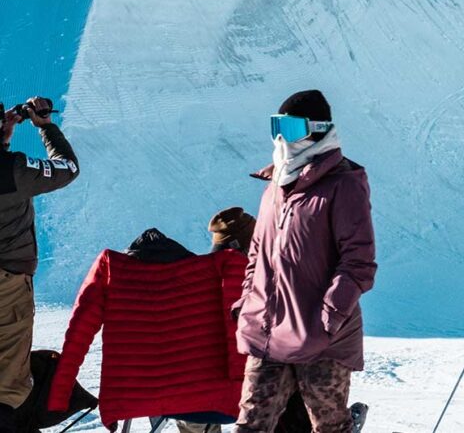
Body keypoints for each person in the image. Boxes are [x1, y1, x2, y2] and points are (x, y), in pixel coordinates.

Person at [234, 91, 377, 433]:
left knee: (328, 427)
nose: (282, 138)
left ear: (318, 130)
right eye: (276, 127)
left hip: (322, 341)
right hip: (267, 333)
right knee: (250, 425)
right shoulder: (274, 187)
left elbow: (358, 262)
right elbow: (257, 254)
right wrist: (246, 302)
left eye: (291, 128)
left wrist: (326, 320)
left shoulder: (343, 185)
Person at [49, 224, 248, 432]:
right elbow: (237, 329)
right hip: (205, 399)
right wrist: (241, 383)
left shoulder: (111, 270)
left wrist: (59, 398)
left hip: (131, 399)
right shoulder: (216, 269)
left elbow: (77, 335)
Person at [0, 98, 76, 433]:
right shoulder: (14, 170)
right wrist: (44, 126)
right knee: (8, 387)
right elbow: (67, 168)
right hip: (7, 285)